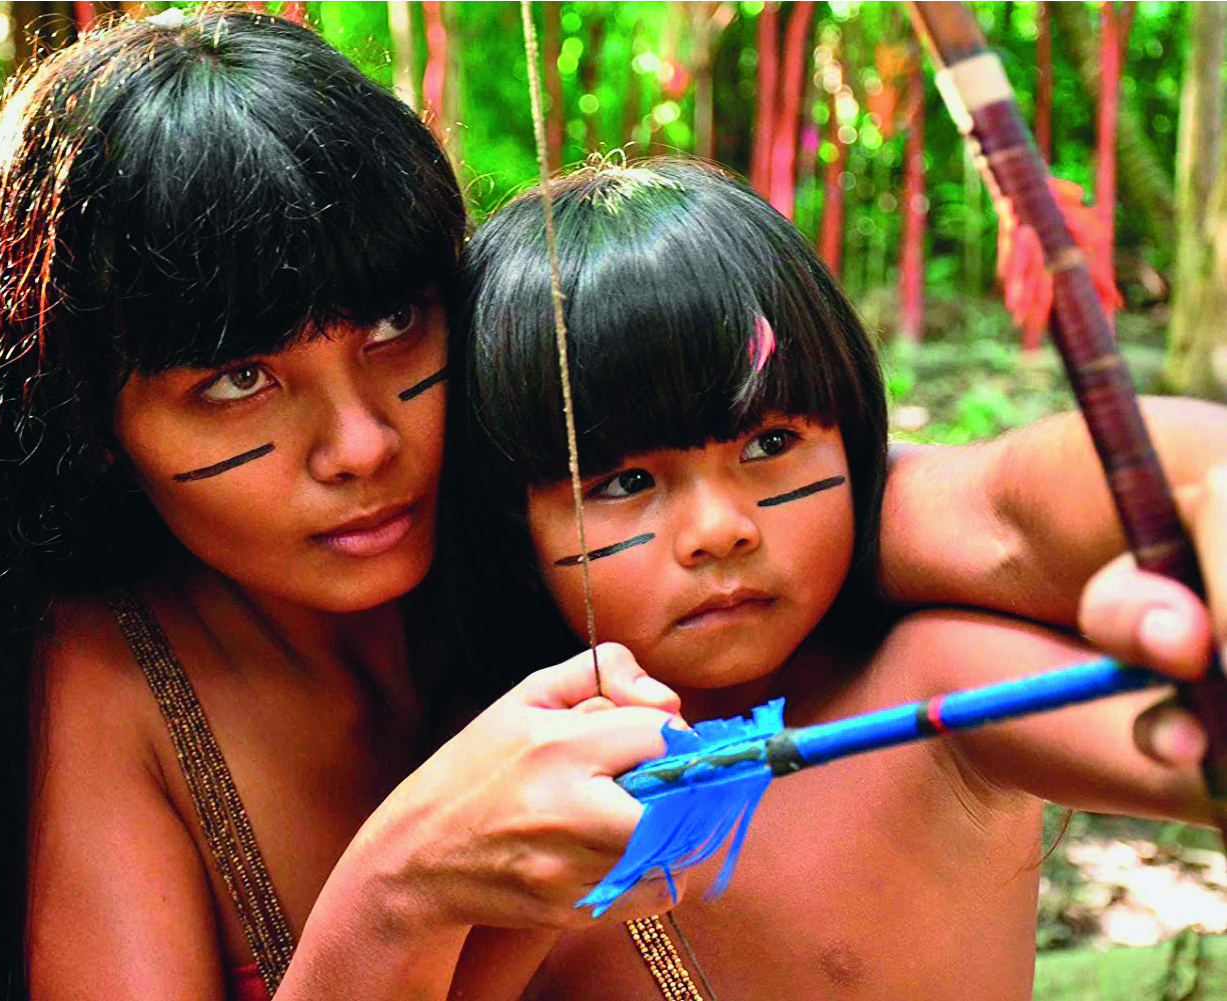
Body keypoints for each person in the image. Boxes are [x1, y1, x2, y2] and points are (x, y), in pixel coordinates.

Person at [0, 10, 1219, 999]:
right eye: (238, 380)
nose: (358, 443)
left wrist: (1206, 490)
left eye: (394, 326)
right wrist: (394, 892)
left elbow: (992, 507)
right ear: (93, 421)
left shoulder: (557, 454)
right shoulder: (110, 672)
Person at [443, 158, 1226, 999]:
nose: (719, 531)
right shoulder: (485, 783)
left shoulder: (930, 683)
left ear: (855, 445)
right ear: (511, 533)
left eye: (769, 445)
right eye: (623, 482)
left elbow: (1044, 515)